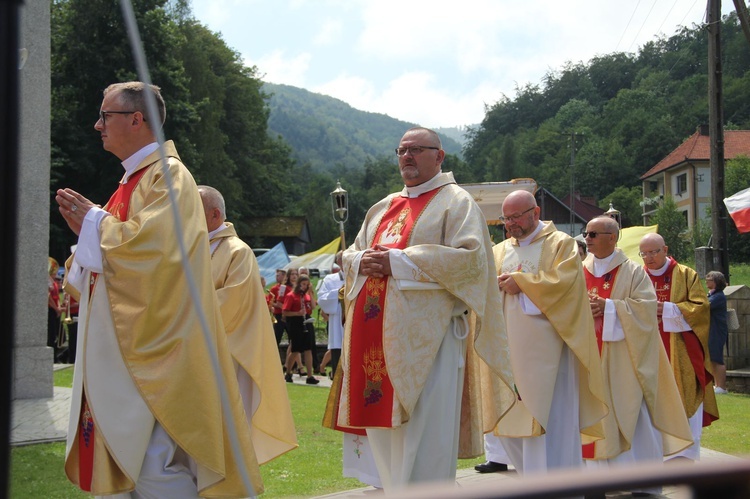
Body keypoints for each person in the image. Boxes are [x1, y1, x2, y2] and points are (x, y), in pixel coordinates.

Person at [55, 81, 261, 496]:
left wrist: (95, 224)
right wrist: (89, 238)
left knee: (153, 462)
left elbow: (157, 252)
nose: (97, 125)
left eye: (105, 116)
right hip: (125, 347)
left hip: (155, 352)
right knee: (131, 458)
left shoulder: (169, 177)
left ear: (136, 119)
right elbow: (112, 258)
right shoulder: (131, 183)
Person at [335, 127, 517, 491]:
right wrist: (359, 260)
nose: (407, 156)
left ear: (440, 155)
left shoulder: (456, 203)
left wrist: (398, 262)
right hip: (374, 337)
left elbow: (471, 261)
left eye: (417, 149)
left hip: (428, 341)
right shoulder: (383, 207)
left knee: (425, 434)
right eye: (401, 150)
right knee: (385, 437)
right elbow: (350, 253)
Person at [489, 190, 608, 475]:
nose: (510, 224)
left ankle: (561, 486)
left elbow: (566, 285)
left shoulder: (561, 244)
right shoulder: (500, 250)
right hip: (508, 353)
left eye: (516, 216)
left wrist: (522, 283)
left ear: (535, 213)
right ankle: (531, 482)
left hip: (551, 355)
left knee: (553, 423)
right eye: (506, 219)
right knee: (510, 423)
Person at [582, 216, 692, 495]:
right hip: (588, 357)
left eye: (594, 233)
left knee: (636, 416)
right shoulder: (578, 269)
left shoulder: (632, 271)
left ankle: (644, 484)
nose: (588, 238)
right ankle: (596, 482)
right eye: (586, 233)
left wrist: (608, 307)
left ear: (612, 237)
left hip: (625, 361)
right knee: (592, 416)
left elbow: (646, 309)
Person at [199, 185, 297, 464]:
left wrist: (183, 312)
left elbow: (232, 302)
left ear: (215, 214)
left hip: (227, 355)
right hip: (194, 352)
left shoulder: (237, 251)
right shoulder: (190, 247)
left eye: (192, 209)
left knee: (227, 433)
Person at [639, 233, 719, 461]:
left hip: (681, 352)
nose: (648, 257)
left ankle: (684, 456)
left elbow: (700, 308)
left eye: (653, 252)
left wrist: (667, 309)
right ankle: (652, 455)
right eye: (643, 253)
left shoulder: (685, 274)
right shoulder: (636, 276)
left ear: (665, 249)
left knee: (683, 398)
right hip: (647, 350)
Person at [283, 275, 320, 385]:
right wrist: (297, 313)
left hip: (306, 321)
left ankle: (310, 376)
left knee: (308, 349)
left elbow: (313, 307)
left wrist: (311, 293)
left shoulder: (307, 296)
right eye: (303, 284)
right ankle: (288, 372)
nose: (305, 287)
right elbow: (285, 312)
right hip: (295, 322)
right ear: (298, 284)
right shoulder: (291, 296)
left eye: (307, 284)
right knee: (296, 349)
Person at [317, 251, 345, 377]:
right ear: (339, 262)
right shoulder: (330, 280)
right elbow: (322, 300)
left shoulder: (360, 278)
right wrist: (338, 293)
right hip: (338, 330)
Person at [706, 271, 729, 394]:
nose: (707, 281)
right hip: (712, 330)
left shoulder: (718, 296)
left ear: (716, 282)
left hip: (717, 330)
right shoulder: (711, 295)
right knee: (712, 357)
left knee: (717, 357)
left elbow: (705, 306)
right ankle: (717, 384)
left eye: (710, 279)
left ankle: (722, 387)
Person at [269, 268, 288, 346]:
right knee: (277, 336)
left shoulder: (288, 287)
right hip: (278, 315)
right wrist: (277, 305)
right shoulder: (274, 288)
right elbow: (270, 301)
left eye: (278, 276)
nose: (276, 277)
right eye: (276, 276)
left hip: (287, 315)